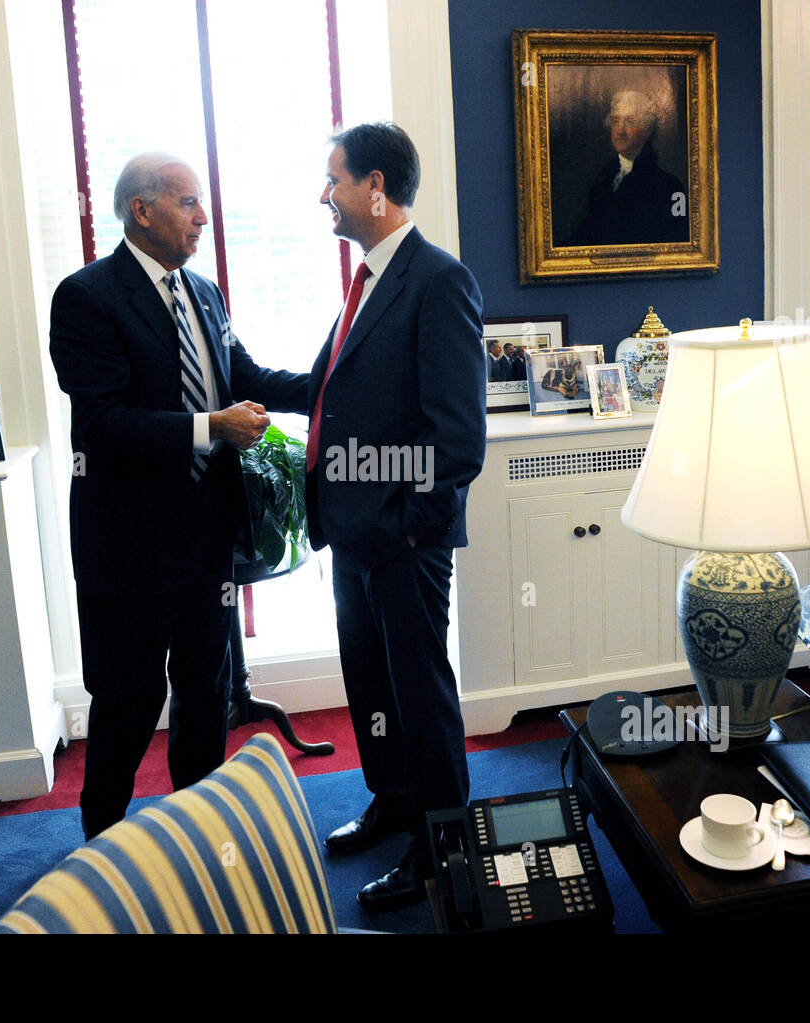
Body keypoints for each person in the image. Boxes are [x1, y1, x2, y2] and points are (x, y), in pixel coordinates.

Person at [48, 152, 310, 840]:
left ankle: (197, 837)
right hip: (128, 547)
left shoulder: (205, 292)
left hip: (206, 540)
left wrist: (335, 381)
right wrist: (210, 428)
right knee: (129, 705)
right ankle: (99, 845)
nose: (203, 217)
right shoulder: (86, 297)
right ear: (142, 210)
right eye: (190, 203)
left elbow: (244, 375)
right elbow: (102, 425)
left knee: (207, 696)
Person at [309, 122, 486, 910]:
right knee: (370, 684)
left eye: (335, 179)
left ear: (375, 186)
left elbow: (458, 439)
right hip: (354, 536)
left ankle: (440, 849)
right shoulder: (366, 282)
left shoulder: (437, 280)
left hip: (404, 540)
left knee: (421, 696)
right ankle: (392, 799)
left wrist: (404, 520)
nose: (326, 195)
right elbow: (328, 389)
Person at [564, 90, 689, 247]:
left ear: (647, 129)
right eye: (616, 121)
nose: (620, 131)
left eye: (630, 121)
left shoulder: (668, 185)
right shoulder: (600, 178)